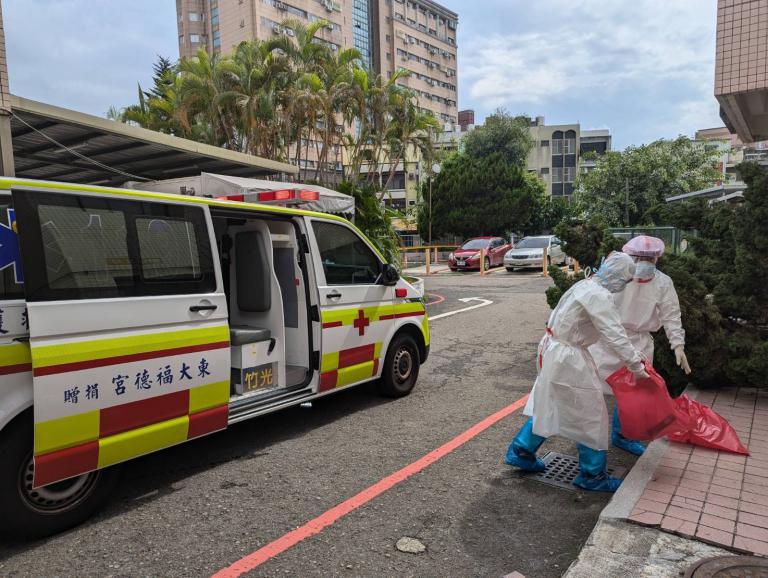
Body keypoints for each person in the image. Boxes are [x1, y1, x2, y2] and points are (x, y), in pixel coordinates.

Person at [505, 252, 647, 492]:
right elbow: (614, 334)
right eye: (626, 280)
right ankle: (592, 475)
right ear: (619, 277)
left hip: (553, 349)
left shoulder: (585, 285)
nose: (625, 285)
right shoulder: (599, 296)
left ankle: (521, 451)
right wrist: (636, 365)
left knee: (550, 402)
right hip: (569, 358)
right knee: (591, 414)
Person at [590, 235, 690, 456]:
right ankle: (591, 439)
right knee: (594, 389)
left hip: (639, 343)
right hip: (606, 340)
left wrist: (678, 345)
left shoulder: (663, 283)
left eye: (650, 259)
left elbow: (671, 315)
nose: (644, 263)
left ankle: (622, 435)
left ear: (657, 260)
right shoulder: (616, 277)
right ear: (628, 257)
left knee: (632, 395)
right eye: (639, 258)